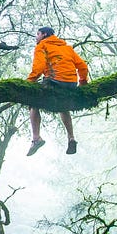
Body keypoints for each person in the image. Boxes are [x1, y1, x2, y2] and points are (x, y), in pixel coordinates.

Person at [27, 26, 87, 155]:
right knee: (63, 106)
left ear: (44, 34)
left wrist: (29, 83)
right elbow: (83, 66)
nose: (36, 37)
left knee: (33, 102)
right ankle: (71, 138)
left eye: (37, 34)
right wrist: (83, 82)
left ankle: (36, 138)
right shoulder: (67, 48)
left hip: (54, 82)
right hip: (71, 84)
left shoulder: (42, 46)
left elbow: (39, 67)